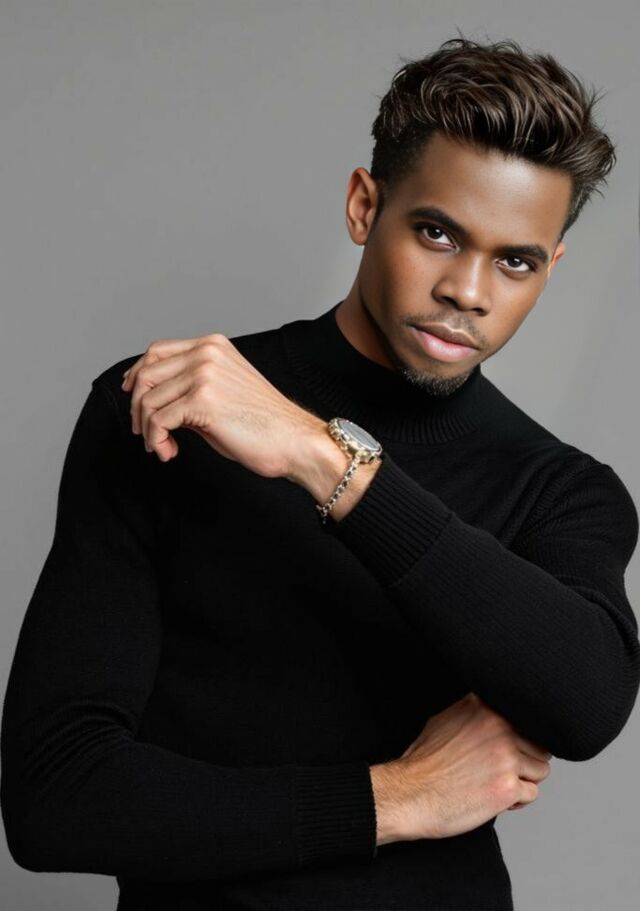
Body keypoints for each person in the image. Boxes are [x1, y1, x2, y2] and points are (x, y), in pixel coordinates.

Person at [2, 34, 638, 911]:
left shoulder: (560, 489)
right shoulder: (167, 406)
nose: (469, 290)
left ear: (550, 267)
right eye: (438, 232)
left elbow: (587, 701)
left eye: (515, 260)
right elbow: (54, 798)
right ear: (363, 205)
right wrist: (399, 799)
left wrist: (323, 458)